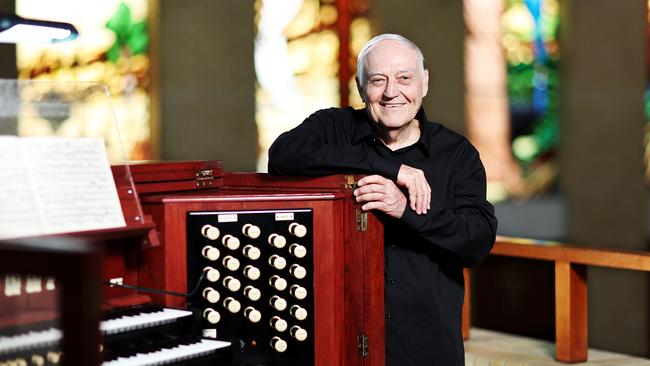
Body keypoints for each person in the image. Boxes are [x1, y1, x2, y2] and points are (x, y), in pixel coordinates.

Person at [268, 33, 497, 366]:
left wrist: (405, 209)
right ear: (362, 88)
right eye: (378, 80)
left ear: (424, 83)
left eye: (404, 78)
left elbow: (477, 240)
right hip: (340, 341)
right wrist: (388, 167)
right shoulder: (334, 126)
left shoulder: (457, 154)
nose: (392, 92)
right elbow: (282, 156)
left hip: (428, 348)